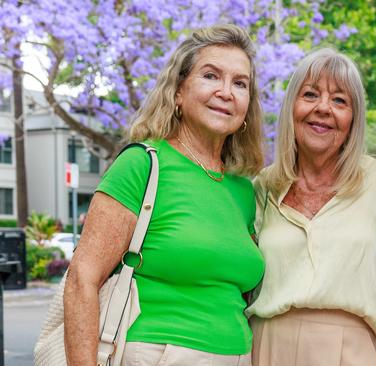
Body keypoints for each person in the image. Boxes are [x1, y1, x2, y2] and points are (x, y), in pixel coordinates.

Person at [63, 24, 265, 365]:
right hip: (159, 353)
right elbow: (81, 279)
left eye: (240, 83)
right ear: (178, 93)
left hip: (239, 355)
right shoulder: (142, 164)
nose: (226, 92)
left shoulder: (243, 190)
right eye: (211, 76)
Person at [246, 48, 376, 366]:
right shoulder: (264, 186)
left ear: (353, 120)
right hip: (266, 346)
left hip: (352, 349)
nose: (323, 108)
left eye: (340, 100)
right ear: (292, 107)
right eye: (310, 95)